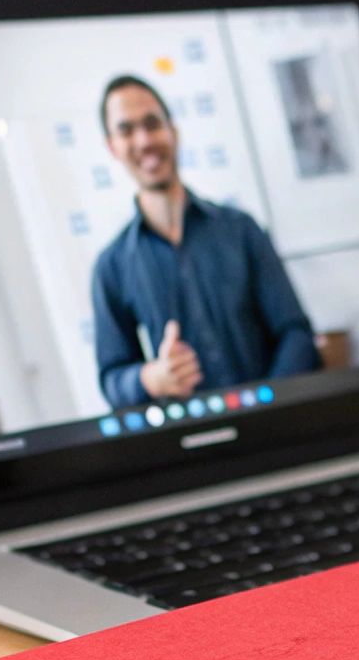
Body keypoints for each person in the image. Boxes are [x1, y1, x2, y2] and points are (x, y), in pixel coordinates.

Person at [90, 75, 320, 409]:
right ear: (112, 147)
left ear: (174, 131)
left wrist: (265, 405)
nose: (143, 141)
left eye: (152, 123)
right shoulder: (111, 266)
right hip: (192, 447)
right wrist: (150, 378)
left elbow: (296, 334)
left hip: (276, 429)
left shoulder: (241, 230)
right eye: (126, 130)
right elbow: (112, 379)